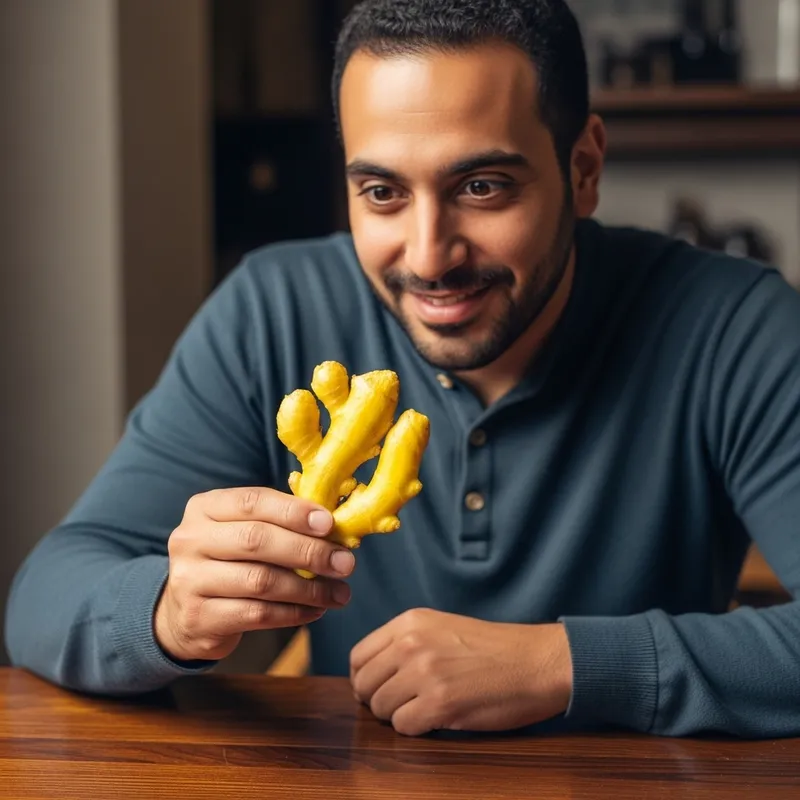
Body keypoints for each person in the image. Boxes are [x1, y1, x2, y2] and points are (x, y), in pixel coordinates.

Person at [6, 0, 800, 740]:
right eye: (382, 192)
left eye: (482, 187)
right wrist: (170, 613)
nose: (428, 257)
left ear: (584, 168)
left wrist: (560, 666)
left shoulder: (733, 325)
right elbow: (44, 596)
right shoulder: (272, 308)